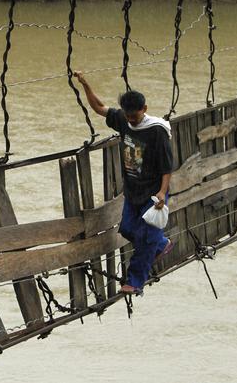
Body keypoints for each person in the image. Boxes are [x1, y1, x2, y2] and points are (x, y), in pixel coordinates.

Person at [74, 71, 174, 295]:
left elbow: (167, 167)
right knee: (128, 229)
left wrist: (161, 193)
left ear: (144, 109)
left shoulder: (157, 131)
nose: (130, 119)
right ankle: (161, 244)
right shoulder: (125, 120)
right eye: (128, 116)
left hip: (153, 193)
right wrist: (85, 84)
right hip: (132, 191)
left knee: (146, 238)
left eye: (134, 116)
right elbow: (100, 108)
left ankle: (135, 282)